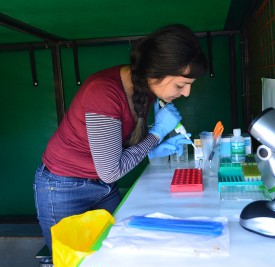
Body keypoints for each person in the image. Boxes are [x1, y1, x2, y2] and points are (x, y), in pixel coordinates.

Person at [33, 24, 207, 254]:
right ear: (155, 72)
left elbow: (115, 149)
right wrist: (156, 134)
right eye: (181, 85)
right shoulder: (104, 92)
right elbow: (111, 170)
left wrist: (151, 148)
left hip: (103, 185)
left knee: (114, 252)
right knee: (71, 262)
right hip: (65, 187)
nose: (186, 93)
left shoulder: (144, 89)